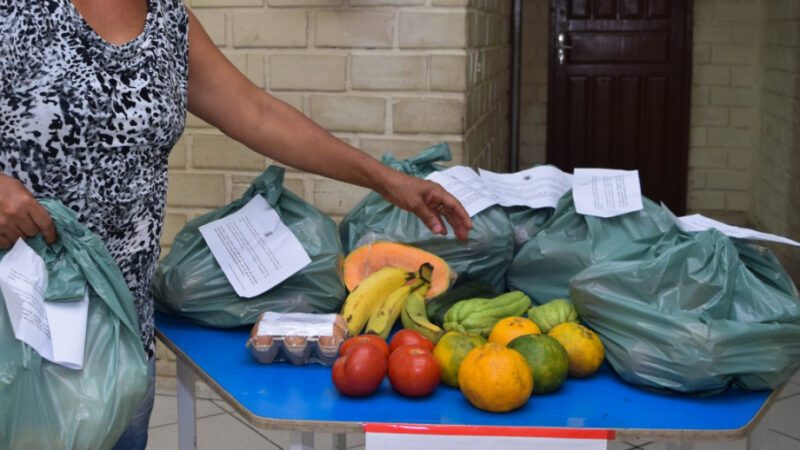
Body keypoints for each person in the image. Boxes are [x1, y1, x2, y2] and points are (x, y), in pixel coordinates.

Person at [0, 1, 472, 448]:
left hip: (116, 346)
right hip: (12, 339)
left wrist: (389, 182)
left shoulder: (165, 19)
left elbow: (257, 113)